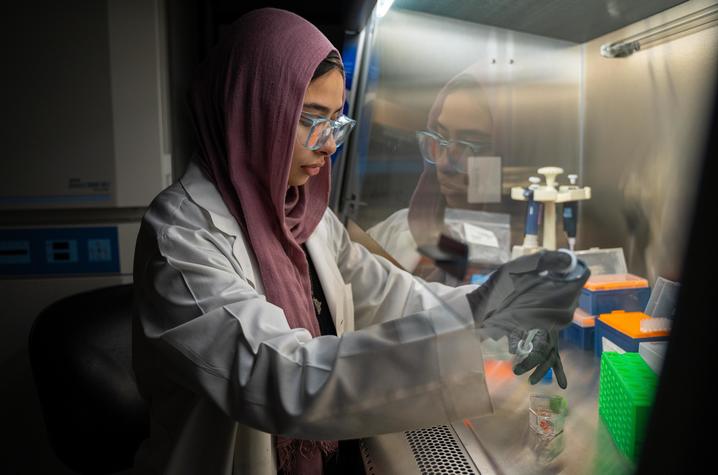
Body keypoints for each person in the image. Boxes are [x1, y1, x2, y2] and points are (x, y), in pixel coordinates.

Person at [132, 8, 588, 475]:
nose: (329, 145)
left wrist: (498, 315)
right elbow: (281, 378)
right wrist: (475, 321)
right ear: (250, 113)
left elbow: (393, 294)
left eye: (335, 122)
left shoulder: (302, 214)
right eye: (310, 119)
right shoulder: (181, 238)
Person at [367, 71, 512, 279]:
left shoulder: (521, 258)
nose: (444, 164)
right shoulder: (401, 228)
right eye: (440, 138)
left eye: (468, 145)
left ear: (507, 155)